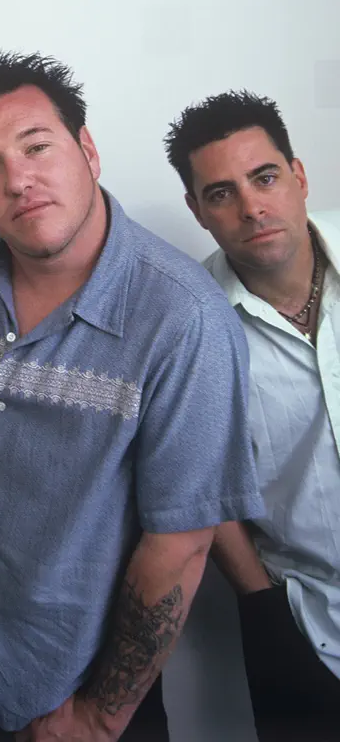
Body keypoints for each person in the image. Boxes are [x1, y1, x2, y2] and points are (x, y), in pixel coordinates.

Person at [0, 52, 265, 742]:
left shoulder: (184, 319)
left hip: (76, 678)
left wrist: (100, 717)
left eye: (36, 147)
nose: (17, 180)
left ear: (87, 149)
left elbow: (181, 541)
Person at [165, 90, 340, 742]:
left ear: (298, 176)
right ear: (197, 210)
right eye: (221, 193)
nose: (251, 207)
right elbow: (202, 481)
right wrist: (263, 605)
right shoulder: (189, 324)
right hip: (309, 629)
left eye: (264, 178)